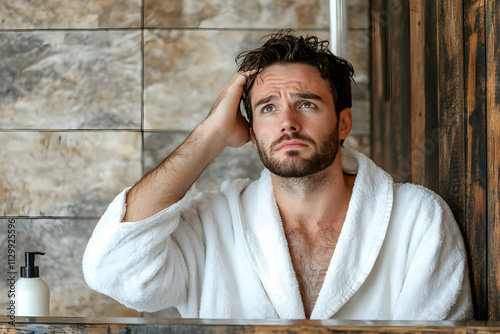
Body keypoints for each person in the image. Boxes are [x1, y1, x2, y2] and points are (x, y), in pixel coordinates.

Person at [83, 30, 472, 320]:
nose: (287, 122)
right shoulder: (214, 226)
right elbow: (114, 268)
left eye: (306, 103)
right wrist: (210, 134)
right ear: (251, 134)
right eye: (267, 109)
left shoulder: (418, 220)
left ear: (343, 123)